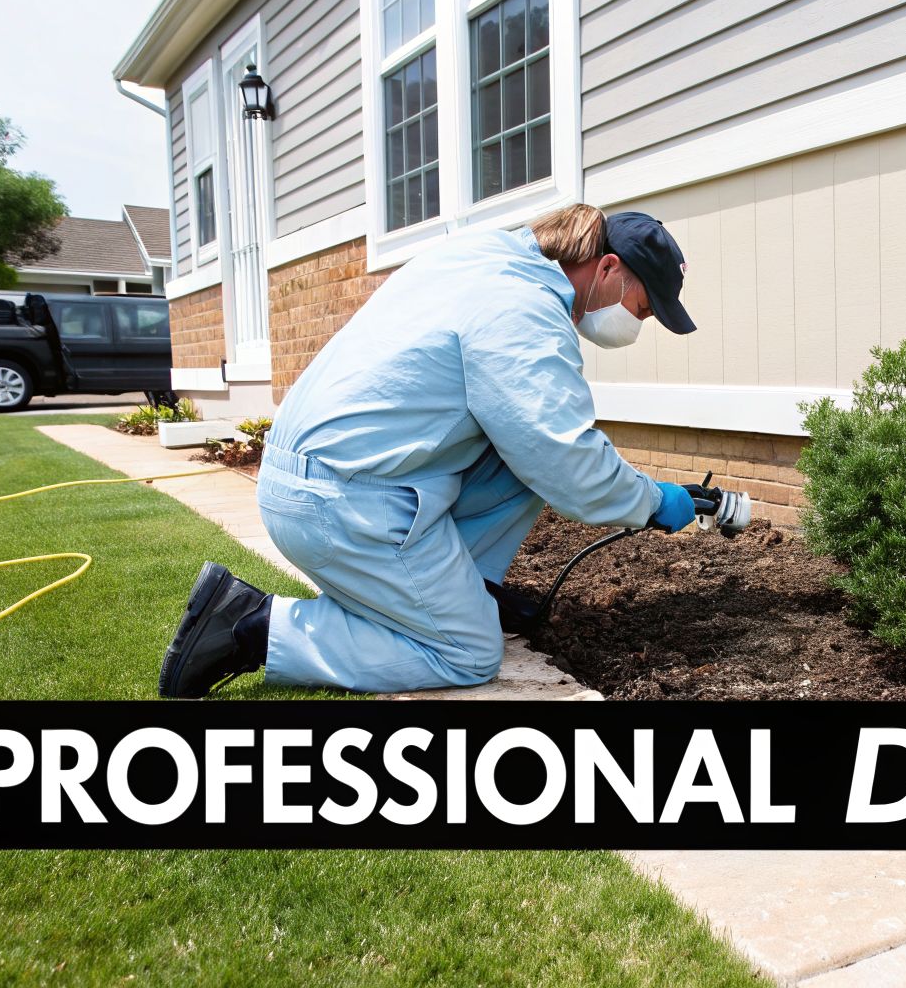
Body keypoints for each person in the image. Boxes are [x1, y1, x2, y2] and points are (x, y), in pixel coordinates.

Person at [157, 205, 698, 698]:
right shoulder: (524, 314)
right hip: (340, 504)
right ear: (606, 269)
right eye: (644, 308)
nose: (640, 324)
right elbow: (568, 461)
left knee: (517, 458)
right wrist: (653, 501)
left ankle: (462, 591)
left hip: (320, 476)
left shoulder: (484, 257)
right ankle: (249, 627)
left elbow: (534, 449)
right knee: (469, 654)